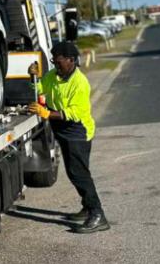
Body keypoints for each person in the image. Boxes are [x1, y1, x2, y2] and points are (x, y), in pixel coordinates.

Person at [28, 41, 109, 233]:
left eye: (58, 61)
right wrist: (33, 77)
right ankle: (87, 208)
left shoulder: (80, 83)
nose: (55, 64)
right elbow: (40, 89)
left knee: (78, 174)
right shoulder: (53, 76)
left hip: (77, 132)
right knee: (77, 172)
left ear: (71, 60)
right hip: (62, 130)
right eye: (53, 61)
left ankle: (98, 214)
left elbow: (75, 112)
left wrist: (47, 114)